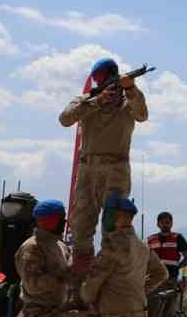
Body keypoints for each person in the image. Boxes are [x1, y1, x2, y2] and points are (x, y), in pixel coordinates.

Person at [58, 56, 147, 261]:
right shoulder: (87, 100)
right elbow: (65, 118)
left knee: (114, 222)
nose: (101, 83)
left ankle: (111, 270)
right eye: (99, 80)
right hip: (87, 168)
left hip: (115, 168)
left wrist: (131, 88)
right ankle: (80, 269)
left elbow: (142, 115)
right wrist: (98, 101)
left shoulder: (128, 102)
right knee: (81, 223)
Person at [145, 211, 187, 317]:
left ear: (171, 223)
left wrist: (177, 267)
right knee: (152, 309)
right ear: (158, 224)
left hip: (171, 280)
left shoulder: (178, 238)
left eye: (168, 222)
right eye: (163, 222)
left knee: (169, 311)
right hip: (153, 281)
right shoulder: (151, 240)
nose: (165, 224)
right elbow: (146, 259)